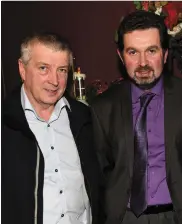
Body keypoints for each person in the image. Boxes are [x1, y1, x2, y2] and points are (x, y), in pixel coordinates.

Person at [90, 10, 182, 224]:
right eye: (133, 52)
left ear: (165, 54)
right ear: (121, 56)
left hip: (178, 216)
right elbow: (102, 172)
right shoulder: (103, 107)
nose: (143, 62)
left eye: (151, 51)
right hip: (124, 218)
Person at [2, 32, 102, 224]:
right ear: (22, 69)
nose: (54, 81)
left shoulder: (83, 117)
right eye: (43, 68)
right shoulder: (6, 124)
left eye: (62, 70)